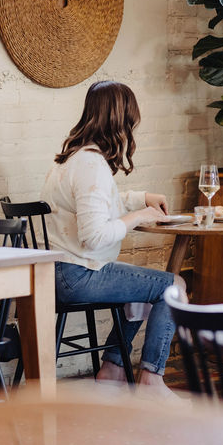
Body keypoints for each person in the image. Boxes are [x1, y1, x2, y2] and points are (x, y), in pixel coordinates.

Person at [40, 80, 181, 398]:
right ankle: (152, 382)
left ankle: (113, 369)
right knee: (172, 286)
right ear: (121, 121)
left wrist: (141, 197)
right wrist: (139, 217)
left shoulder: (73, 157)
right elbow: (94, 236)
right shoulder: (92, 166)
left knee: (141, 286)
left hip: (58, 273)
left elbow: (98, 203)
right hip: (78, 274)